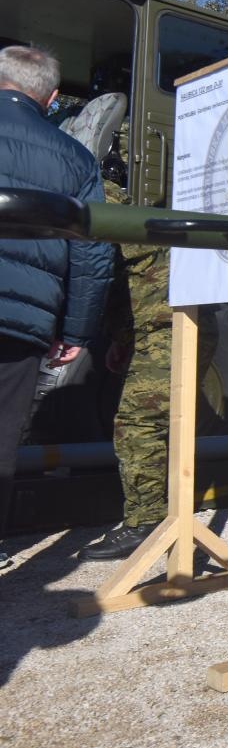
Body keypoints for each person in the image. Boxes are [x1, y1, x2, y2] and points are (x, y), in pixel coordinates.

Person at [0, 46, 115, 559]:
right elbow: (93, 253)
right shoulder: (76, 158)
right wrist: (76, 331)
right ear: (50, 98)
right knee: (4, 436)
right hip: (23, 319)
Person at [78, 189, 221, 559]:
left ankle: (145, 523)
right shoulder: (113, 200)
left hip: (174, 323)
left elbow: (99, 275)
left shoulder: (99, 202)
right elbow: (130, 280)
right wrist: (122, 339)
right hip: (160, 322)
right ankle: (165, 516)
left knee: (139, 422)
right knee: (155, 423)